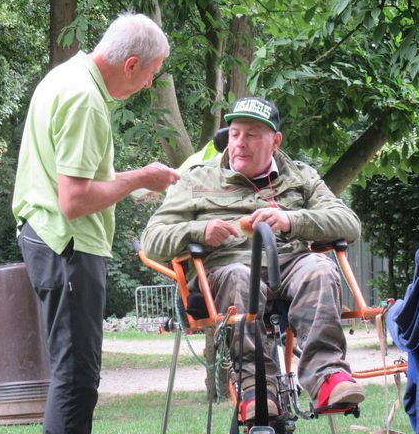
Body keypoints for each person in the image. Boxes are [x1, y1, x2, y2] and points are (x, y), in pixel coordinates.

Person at [140, 96, 365, 422]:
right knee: (239, 278)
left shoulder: (300, 177)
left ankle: (327, 376)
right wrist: (199, 231)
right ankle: (256, 388)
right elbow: (152, 240)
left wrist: (291, 220)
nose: (240, 144)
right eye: (234, 134)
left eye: (252, 135)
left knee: (320, 268)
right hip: (227, 268)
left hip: (289, 262)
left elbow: (348, 224)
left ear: (275, 141)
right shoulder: (197, 180)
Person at [12, 13, 181, 434]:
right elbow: (74, 200)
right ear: (131, 65)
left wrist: (125, 186)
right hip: (68, 246)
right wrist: (140, 176)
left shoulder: (63, 76)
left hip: (46, 237)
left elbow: (70, 182)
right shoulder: (86, 99)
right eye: (151, 74)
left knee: (72, 374)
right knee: (77, 380)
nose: (147, 85)